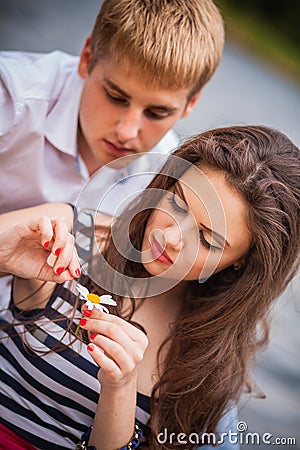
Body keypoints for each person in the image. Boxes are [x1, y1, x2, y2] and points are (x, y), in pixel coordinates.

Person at [0, 125, 299, 449]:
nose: (168, 238)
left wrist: (121, 389)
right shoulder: (71, 233)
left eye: (206, 239)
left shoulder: (205, 366)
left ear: (241, 263)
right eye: (177, 204)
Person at [0, 0, 224, 308]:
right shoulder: (10, 99)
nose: (127, 132)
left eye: (157, 113)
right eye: (116, 97)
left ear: (191, 103)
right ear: (87, 57)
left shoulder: (172, 176)